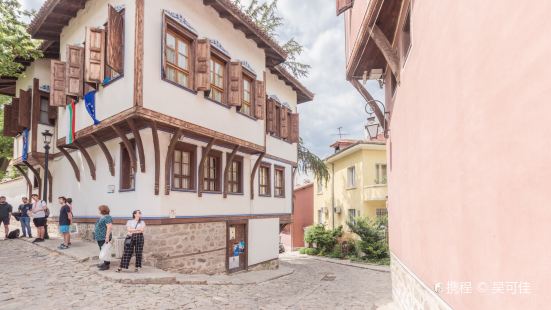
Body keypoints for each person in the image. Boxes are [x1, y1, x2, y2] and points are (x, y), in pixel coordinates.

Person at [94, 205, 112, 271]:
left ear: (102, 210)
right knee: (103, 250)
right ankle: (104, 263)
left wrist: (107, 237)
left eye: (99, 210)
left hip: (104, 237)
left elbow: (109, 227)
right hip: (100, 237)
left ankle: (106, 265)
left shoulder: (107, 217)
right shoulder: (103, 217)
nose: (98, 211)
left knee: (105, 251)